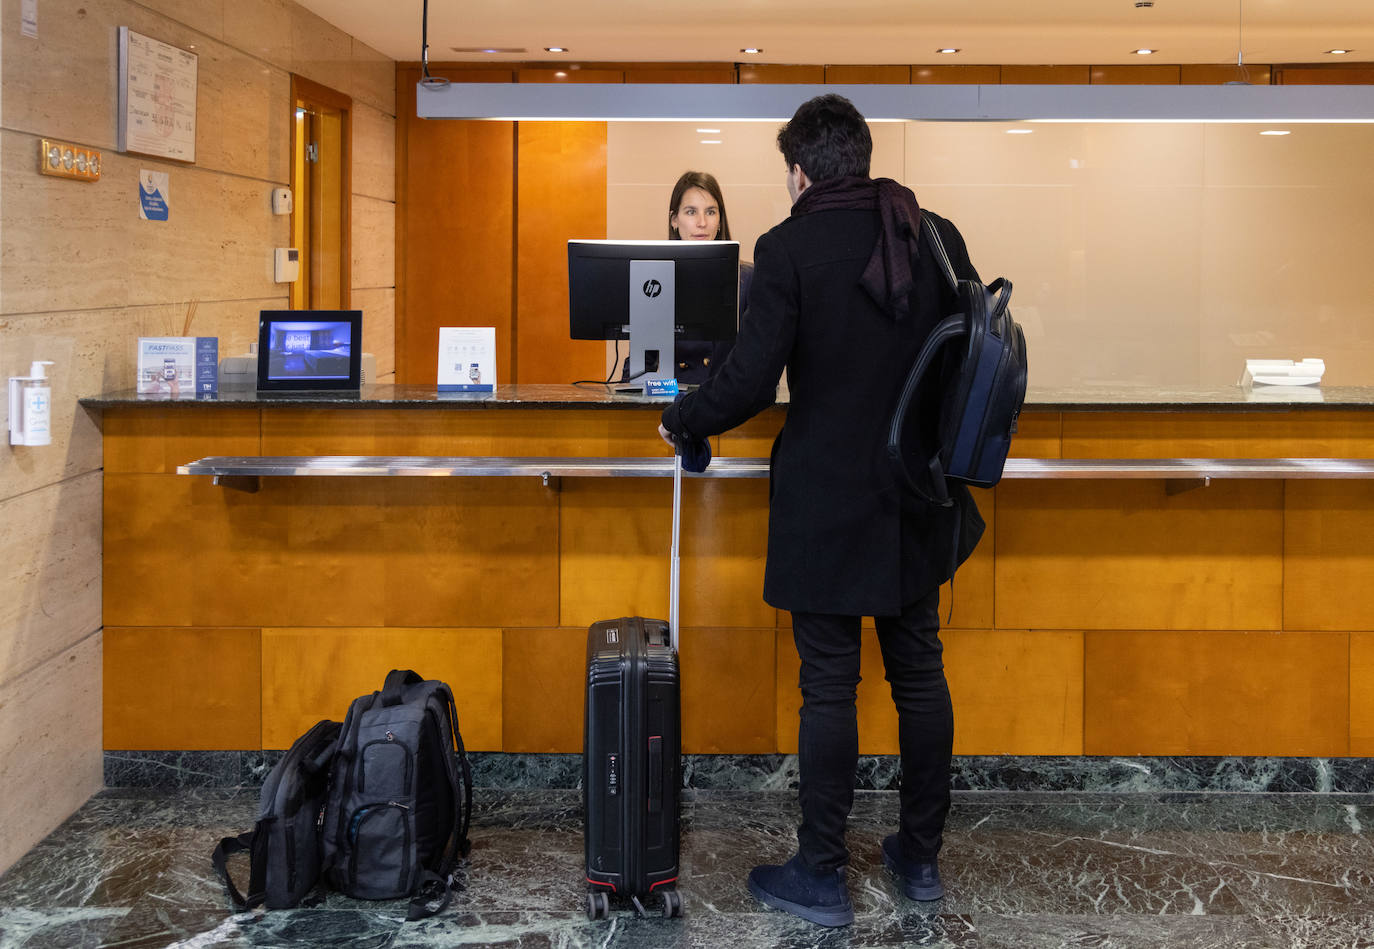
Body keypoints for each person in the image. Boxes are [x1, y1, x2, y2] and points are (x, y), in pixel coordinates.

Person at [657, 95, 986, 927]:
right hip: (918, 495)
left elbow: (748, 380)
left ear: (800, 171)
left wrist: (682, 417)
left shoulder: (789, 247)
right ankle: (919, 860)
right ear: (863, 157)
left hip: (827, 500)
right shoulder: (936, 234)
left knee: (828, 685)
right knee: (920, 671)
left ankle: (821, 872)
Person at [664, 171, 753, 386]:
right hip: (674, 406)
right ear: (674, 220)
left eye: (711, 212)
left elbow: (759, 358)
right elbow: (639, 362)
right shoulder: (656, 280)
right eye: (691, 212)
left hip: (729, 404)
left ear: (720, 220)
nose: (702, 222)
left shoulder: (749, 279)